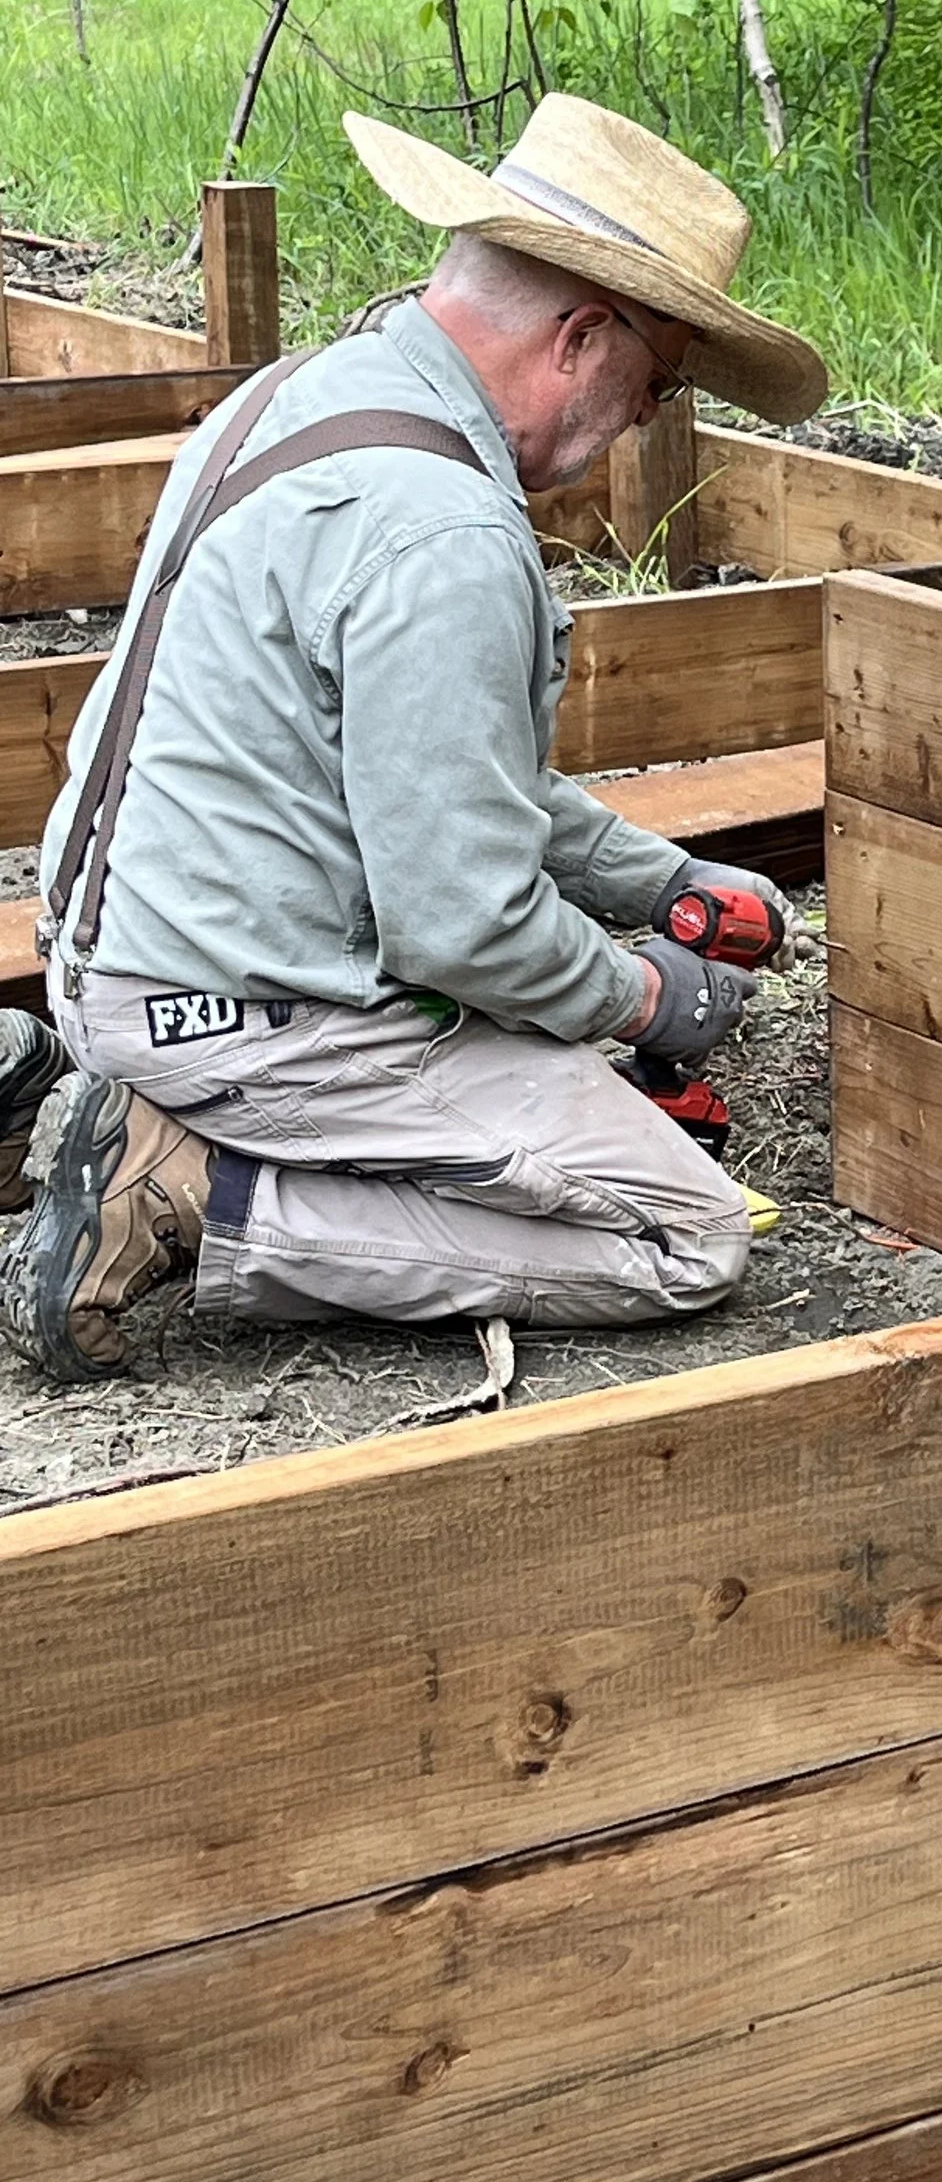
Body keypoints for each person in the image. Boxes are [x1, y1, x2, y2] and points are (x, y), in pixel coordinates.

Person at [0, 94, 828, 1381]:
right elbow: (466, 926)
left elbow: (436, 771)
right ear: (582, 337)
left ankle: (53, 1094)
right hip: (238, 1014)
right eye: (655, 387)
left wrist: (663, 885)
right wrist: (651, 997)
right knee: (687, 1235)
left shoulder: (305, 395)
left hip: (115, 952)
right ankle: (186, 1190)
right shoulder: (445, 531)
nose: (643, 422)